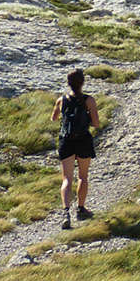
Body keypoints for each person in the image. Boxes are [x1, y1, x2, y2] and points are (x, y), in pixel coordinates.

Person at [51, 67, 100, 230]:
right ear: (82, 83)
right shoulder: (89, 100)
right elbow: (97, 123)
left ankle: (66, 213)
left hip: (66, 141)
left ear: (68, 83)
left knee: (67, 179)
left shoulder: (61, 100)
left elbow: (54, 117)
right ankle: (81, 209)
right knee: (83, 177)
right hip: (83, 140)